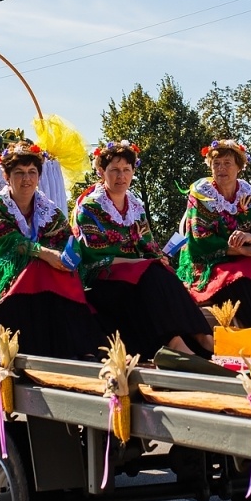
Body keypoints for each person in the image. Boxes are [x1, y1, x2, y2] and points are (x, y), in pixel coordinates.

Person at [0, 141, 104, 359]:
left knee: (59, 272)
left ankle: (77, 346)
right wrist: (44, 253)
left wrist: (64, 255)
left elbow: (64, 239)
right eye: (19, 172)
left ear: (39, 176)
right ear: (6, 176)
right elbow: (6, 241)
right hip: (0, 274)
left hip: (43, 276)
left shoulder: (49, 210)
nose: (26, 179)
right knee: (37, 268)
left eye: (32, 172)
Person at [72, 142, 215, 360]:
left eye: (126, 170)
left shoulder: (135, 207)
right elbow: (95, 257)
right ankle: (176, 343)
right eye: (115, 170)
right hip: (102, 279)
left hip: (134, 274)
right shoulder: (90, 207)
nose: (121, 176)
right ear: (102, 172)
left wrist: (159, 258)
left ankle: (201, 337)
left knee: (163, 272)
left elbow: (148, 245)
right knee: (152, 273)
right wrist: (141, 263)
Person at [176, 139, 251, 327]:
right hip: (208, 263)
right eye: (216, 164)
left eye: (227, 163)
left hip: (244, 260)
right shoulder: (201, 196)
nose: (221, 168)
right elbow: (200, 241)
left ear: (239, 167)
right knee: (241, 279)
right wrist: (241, 251)